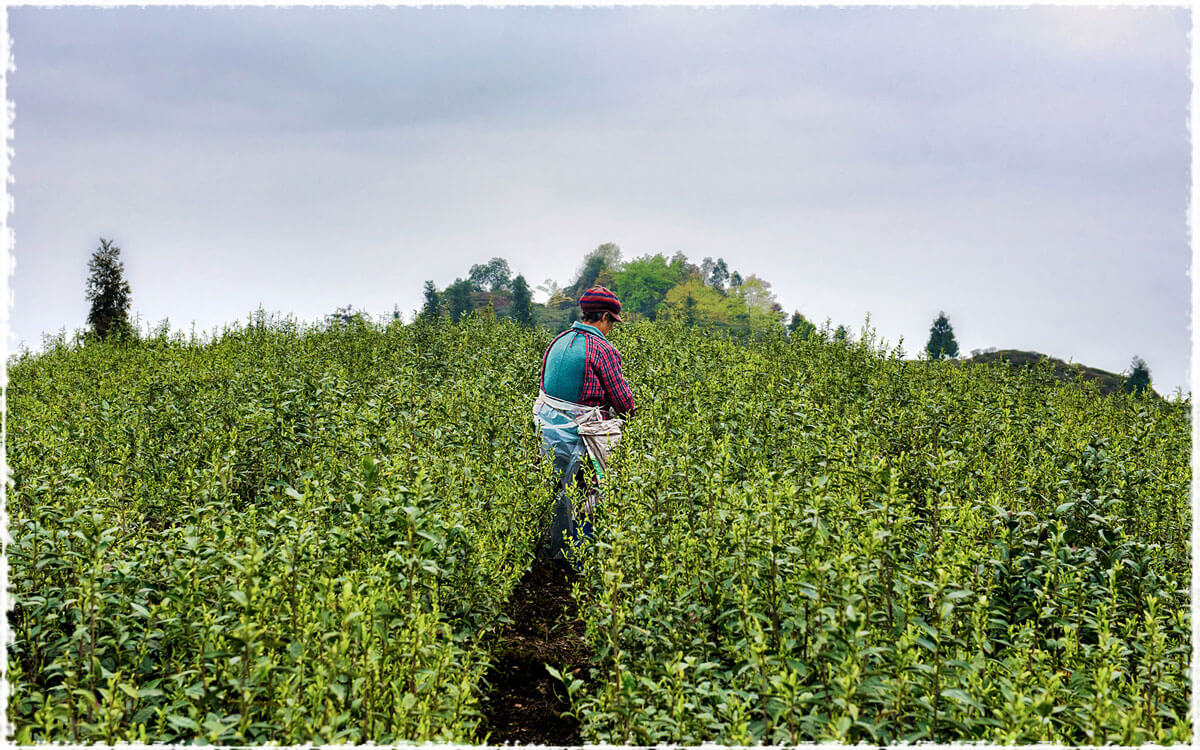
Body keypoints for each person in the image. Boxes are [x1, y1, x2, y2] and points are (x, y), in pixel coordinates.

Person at [532, 286, 635, 560]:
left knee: (558, 492)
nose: (612, 327)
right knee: (589, 495)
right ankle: (583, 559)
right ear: (602, 317)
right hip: (581, 438)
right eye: (612, 321)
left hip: (550, 435)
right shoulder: (602, 350)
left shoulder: (558, 342)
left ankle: (558, 553)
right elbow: (624, 402)